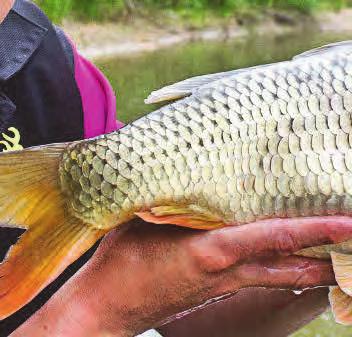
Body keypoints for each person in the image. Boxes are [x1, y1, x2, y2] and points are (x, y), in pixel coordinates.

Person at [0, 1, 349, 336]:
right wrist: (96, 308)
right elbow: (112, 301)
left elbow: (174, 317)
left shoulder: (59, 73)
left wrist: (322, 244)